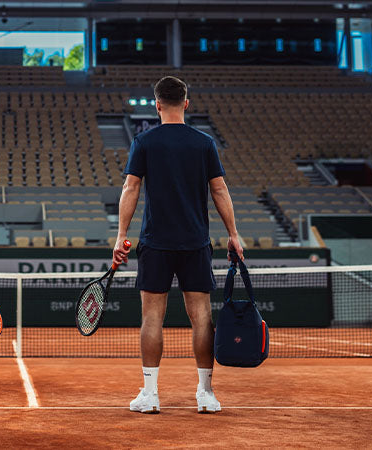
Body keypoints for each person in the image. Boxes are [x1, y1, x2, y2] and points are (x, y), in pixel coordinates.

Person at [113, 76, 244, 414]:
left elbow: (130, 189)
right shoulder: (204, 143)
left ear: (157, 104)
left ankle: (151, 394)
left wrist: (120, 236)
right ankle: (206, 394)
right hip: (195, 242)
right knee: (201, 316)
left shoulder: (143, 141)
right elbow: (219, 191)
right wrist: (233, 233)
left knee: (151, 318)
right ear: (186, 103)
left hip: (156, 243)